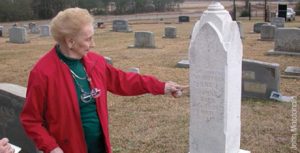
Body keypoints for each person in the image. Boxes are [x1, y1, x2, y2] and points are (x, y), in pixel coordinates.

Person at [20, 7, 184, 153]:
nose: (94, 44)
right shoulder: (43, 73)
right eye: (88, 39)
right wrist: (52, 148)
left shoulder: (95, 62)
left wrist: (162, 86)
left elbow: (124, 81)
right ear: (70, 41)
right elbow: (31, 120)